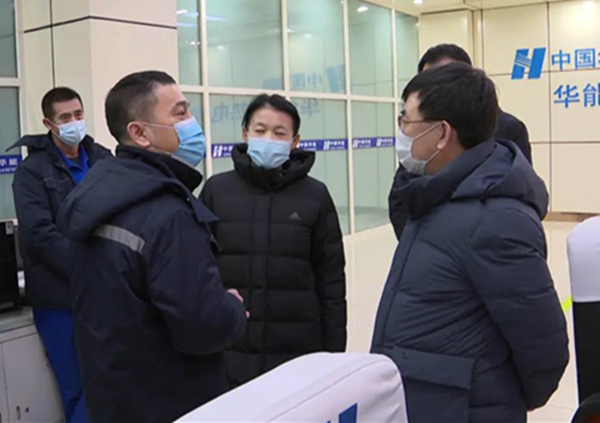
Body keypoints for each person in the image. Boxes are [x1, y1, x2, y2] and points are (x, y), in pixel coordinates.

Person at [370, 63, 569, 423]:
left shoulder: (494, 218)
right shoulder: (436, 193)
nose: (400, 131)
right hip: (428, 401)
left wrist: (502, 399)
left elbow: (543, 344)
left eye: (407, 121)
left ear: (442, 133)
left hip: (466, 409)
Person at [56, 71, 247, 423]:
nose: (191, 123)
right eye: (179, 113)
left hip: (112, 396)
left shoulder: (95, 198)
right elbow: (202, 326)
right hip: (171, 400)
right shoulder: (168, 214)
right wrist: (232, 309)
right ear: (140, 133)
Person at [200, 94, 347, 387]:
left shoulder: (315, 196)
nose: (269, 138)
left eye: (279, 133)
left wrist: (332, 356)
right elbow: (199, 268)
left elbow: (331, 280)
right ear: (245, 134)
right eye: (260, 130)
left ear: (294, 141)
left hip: (296, 355)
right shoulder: (217, 190)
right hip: (229, 353)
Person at [8, 87, 111, 423]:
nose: (74, 122)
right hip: (59, 300)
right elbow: (39, 235)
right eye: (65, 117)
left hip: (105, 294)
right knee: (76, 389)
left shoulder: (103, 159)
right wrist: (91, 267)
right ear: (48, 124)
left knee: (110, 382)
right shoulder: (32, 171)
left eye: (78, 114)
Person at [389, 43, 532, 241]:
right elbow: (400, 197)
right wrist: (419, 242)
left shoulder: (508, 128)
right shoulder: (419, 137)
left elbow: (520, 194)